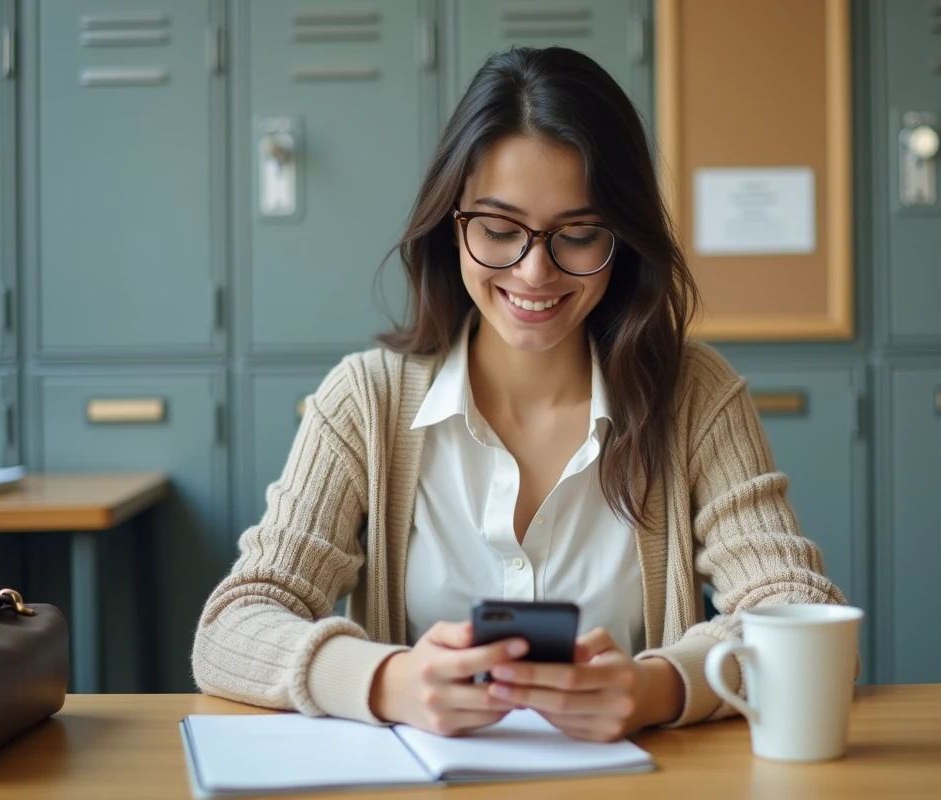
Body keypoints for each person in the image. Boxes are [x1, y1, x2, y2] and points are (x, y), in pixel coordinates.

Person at [192, 46, 846, 743]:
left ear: (623, 238)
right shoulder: (366, 401)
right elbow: (232, 628)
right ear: (453, 226)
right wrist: (387, 681)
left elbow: (801, 612)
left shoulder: (695, 395)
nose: (535, 271)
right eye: (500, 230)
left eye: (580, 233)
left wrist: (655, 687)